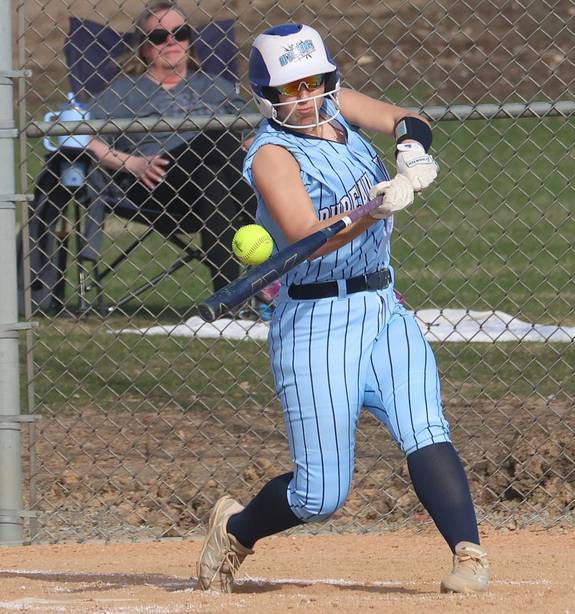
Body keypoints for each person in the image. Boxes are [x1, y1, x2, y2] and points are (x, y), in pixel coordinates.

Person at [195, 23, 489, 594]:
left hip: (382, 305)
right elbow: (309, 234)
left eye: (313, 83)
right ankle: (235, 530)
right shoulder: (271, 155)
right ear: (267, 95)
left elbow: (410, 118)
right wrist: (373, 211)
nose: (305, 98)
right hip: (314, 323)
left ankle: (469, 555)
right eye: (289, 90)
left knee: (425, 427)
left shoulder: (340, 107)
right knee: (321, 494)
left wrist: (411, 151)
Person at [86, 1, 256, 291]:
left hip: (216, 180)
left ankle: (228, 300)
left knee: (212, 174)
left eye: (180, 33)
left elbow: (252, 136)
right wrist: (132, 163)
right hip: (158, 181)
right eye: (158, 36)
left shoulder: (214, 85)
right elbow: (78, 135)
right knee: (215, 136)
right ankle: (278, 232)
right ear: (143, 46)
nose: (171, 42)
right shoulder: (124, 91)